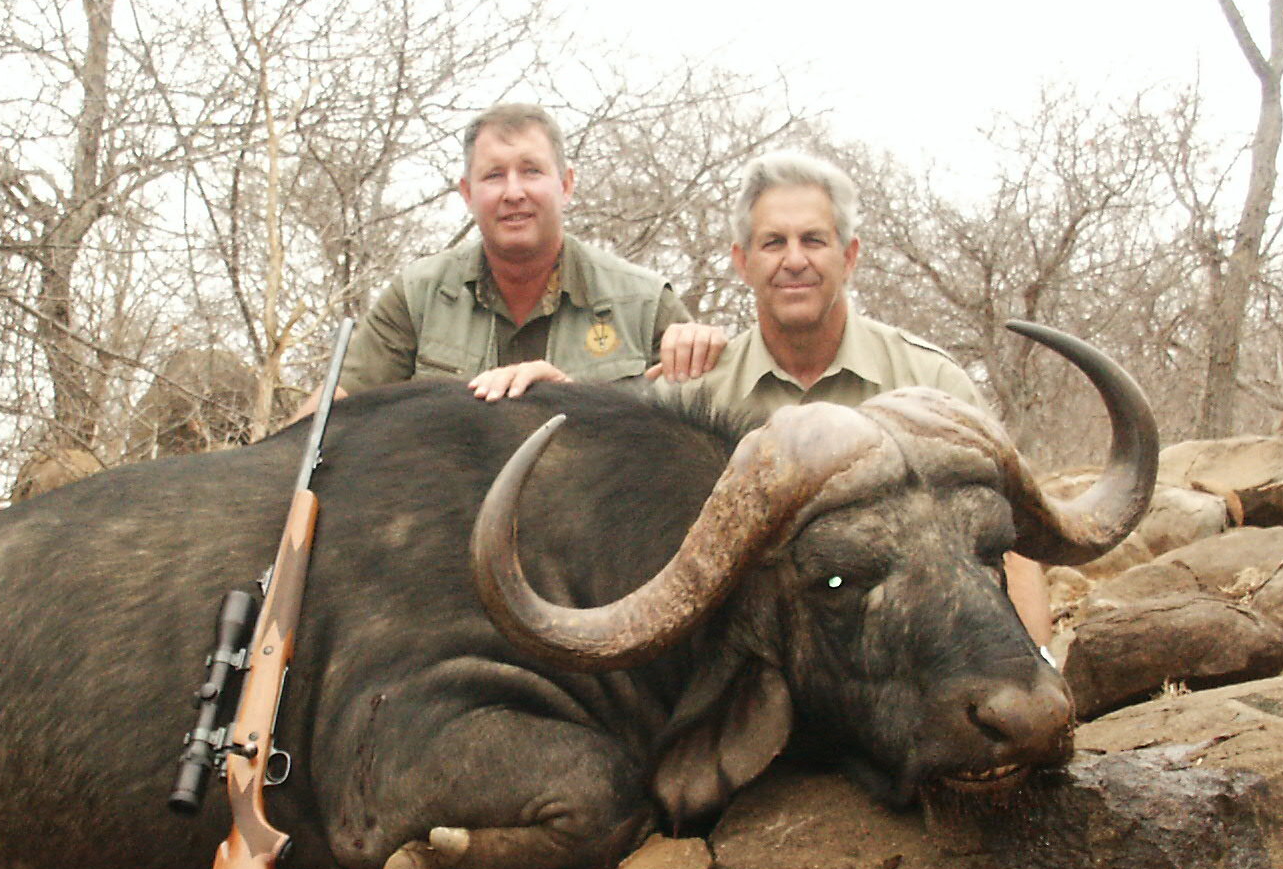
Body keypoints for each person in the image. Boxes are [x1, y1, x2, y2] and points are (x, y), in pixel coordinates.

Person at [660, 150, 1052, 644]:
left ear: (849, 256)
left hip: (914, 657)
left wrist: (1037, 660)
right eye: (774, 242)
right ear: (743, 261)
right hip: (753, 662)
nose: (794, 260)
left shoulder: (931, 378)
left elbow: (1008, 543)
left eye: (814, 240)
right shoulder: (694, 393)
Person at [339, 102, 727, 400]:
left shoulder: (645, 306)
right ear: (468, 194)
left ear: (566, 185)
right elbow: (323, 424)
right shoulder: (416, 297)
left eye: (531, 171)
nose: (513, 193)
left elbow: (701, 439)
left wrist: (571, 400)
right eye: (494, 175)